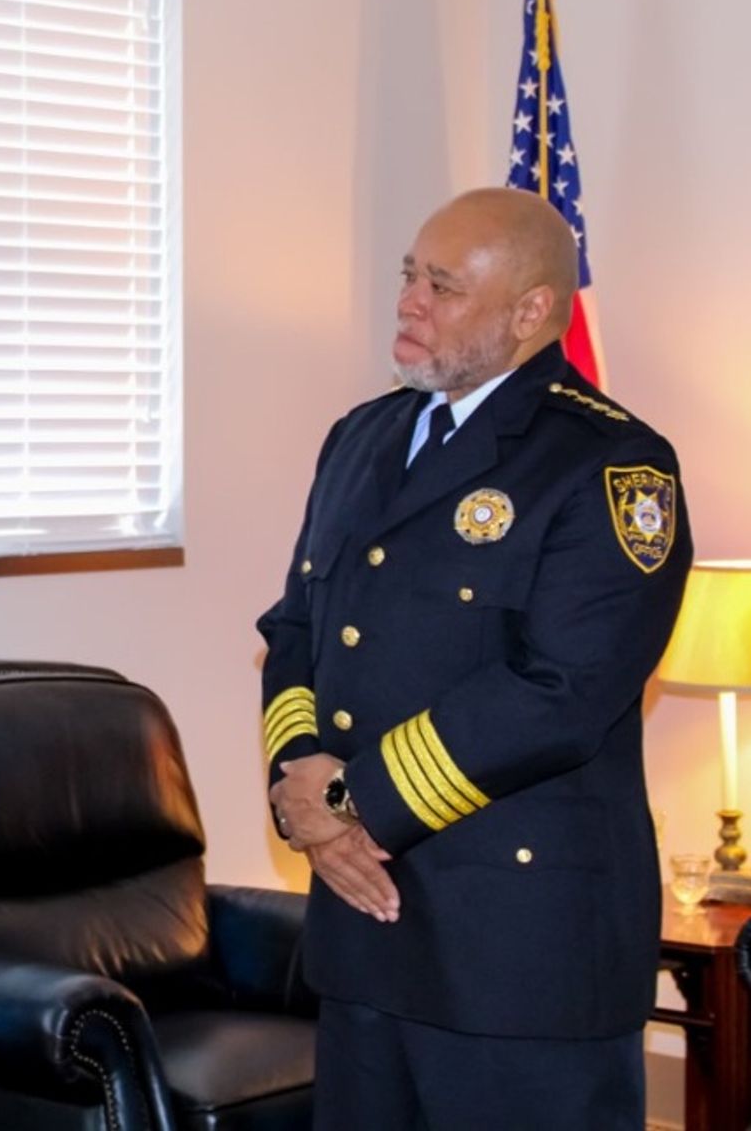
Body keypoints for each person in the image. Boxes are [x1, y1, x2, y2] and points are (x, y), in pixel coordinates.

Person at [258, 187, 692, 1131]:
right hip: (365, 939)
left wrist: (349, 803)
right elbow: (296, 630)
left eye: (444, 286)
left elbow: (562, 692)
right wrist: (303, 792)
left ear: (532, 311)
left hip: (520, 949)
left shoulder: (609, 464)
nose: (410, 302)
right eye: (410, 275)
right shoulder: (363, 436)